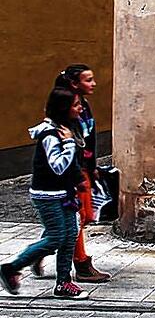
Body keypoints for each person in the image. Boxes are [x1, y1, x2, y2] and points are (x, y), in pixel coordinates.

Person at [0, 88, 89, 299]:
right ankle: (11, 267)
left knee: (69, 237)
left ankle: (63, 284)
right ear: (64, 108)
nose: (81, 108)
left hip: (64, 193)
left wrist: (79, 181)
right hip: (47, 195)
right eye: (77, 105)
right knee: (56, 237)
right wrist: (67, 144)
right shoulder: (51, 135)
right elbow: (58, 166)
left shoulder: (67, 128)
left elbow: (73, 163)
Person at [50, 65, 110, 283]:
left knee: (80, 216)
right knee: (79, 216)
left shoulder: (82, 104)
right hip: (75, 170)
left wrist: (92, 165)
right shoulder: (69, 108)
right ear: (75, 84)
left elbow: (88, 138)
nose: (94, 84)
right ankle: (81, 263)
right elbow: (72, 144)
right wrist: (78, 173)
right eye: (88, 80)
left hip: (84, 167)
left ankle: (41, 250)